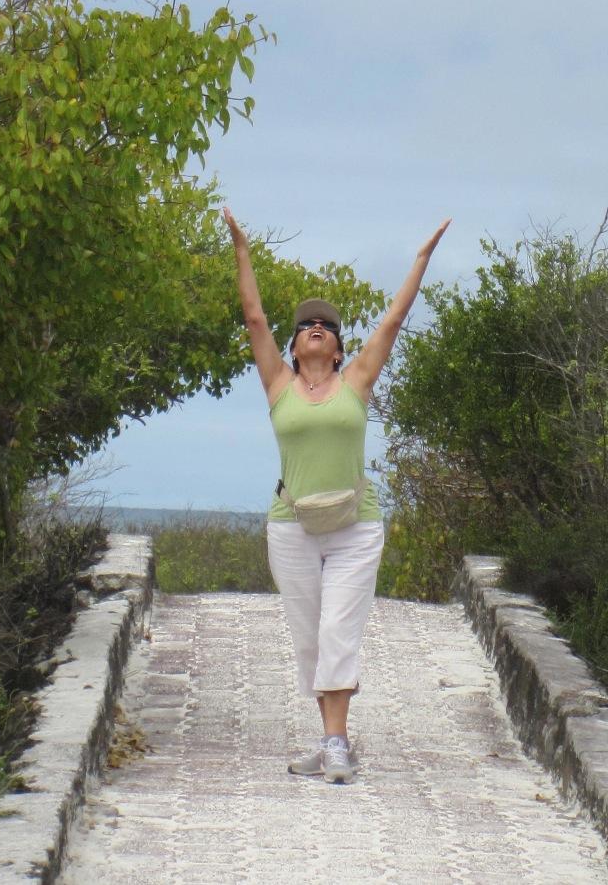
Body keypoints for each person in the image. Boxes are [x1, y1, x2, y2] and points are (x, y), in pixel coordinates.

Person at [223, 208, 450, 784]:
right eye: (305, 326)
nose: (315, 327)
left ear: (339, 346)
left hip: (355, 525)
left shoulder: (356, 384)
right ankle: (331, 742)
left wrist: (420, 261)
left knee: (337, 634)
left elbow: (393, 321)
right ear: (296, 348)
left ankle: (337, 743)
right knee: (308, 643)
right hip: (291, 526)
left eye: (325, 324)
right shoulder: (279, 385)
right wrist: (241, 249)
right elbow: (253, 317)